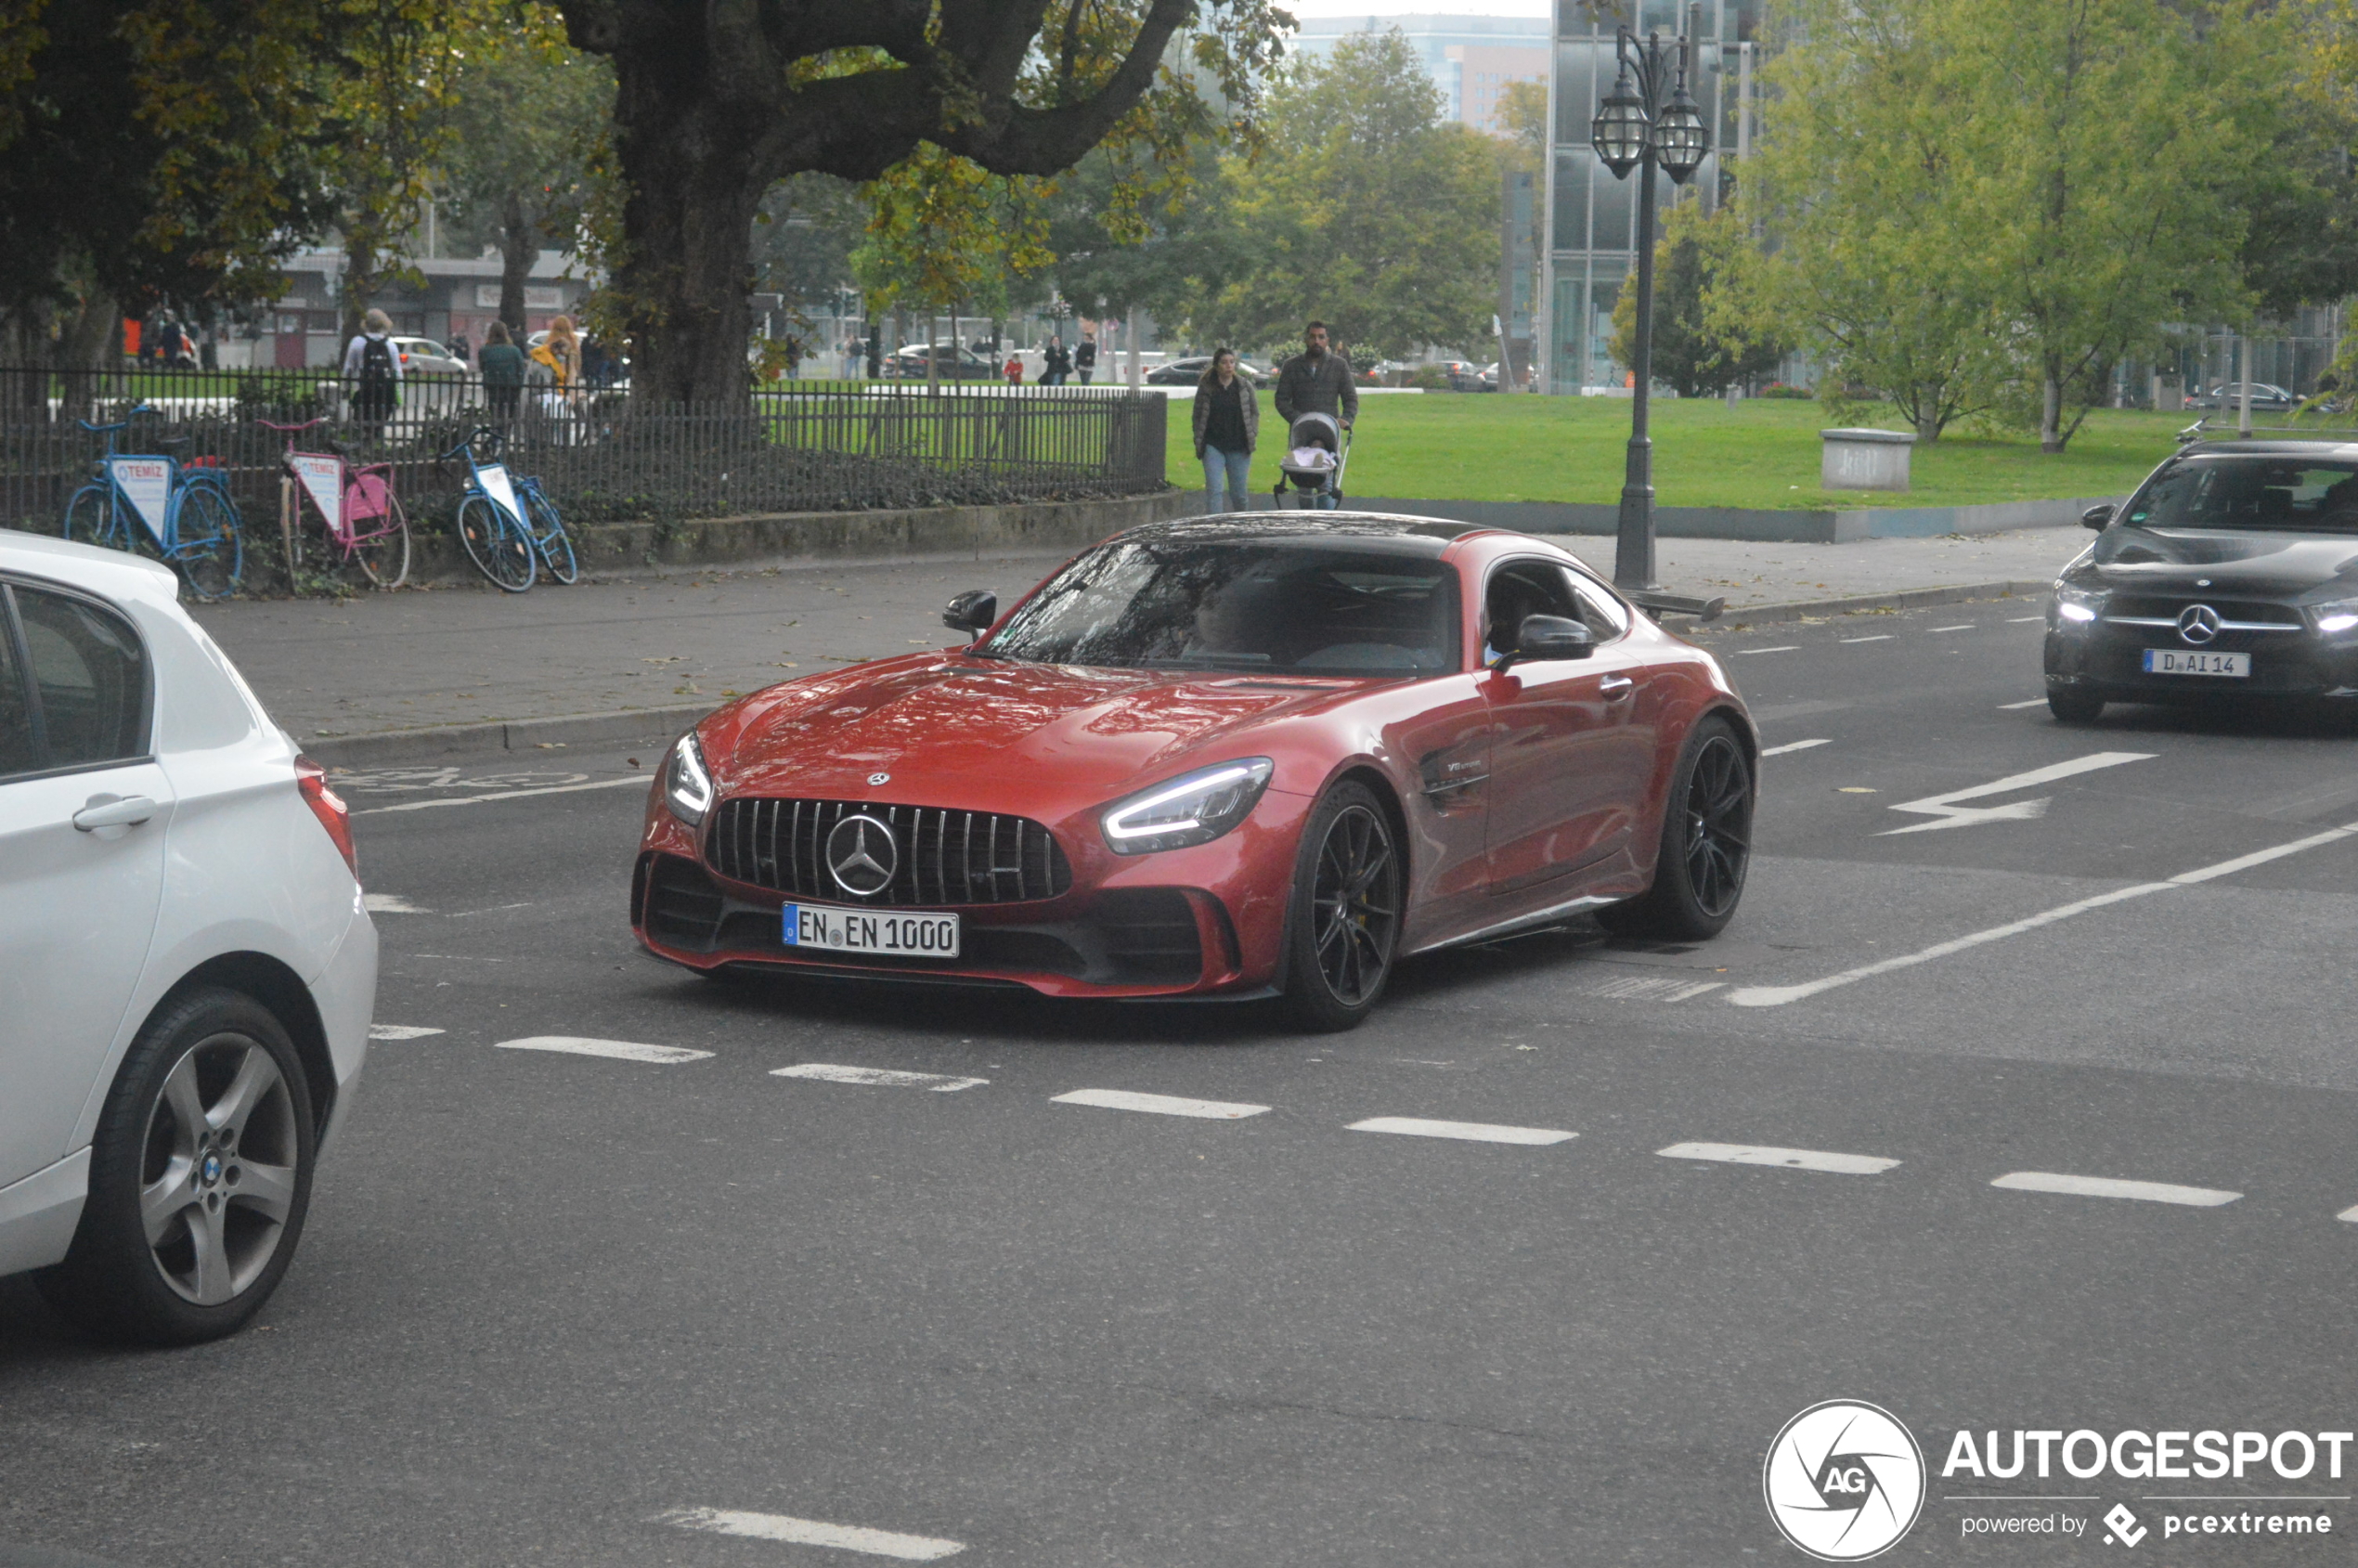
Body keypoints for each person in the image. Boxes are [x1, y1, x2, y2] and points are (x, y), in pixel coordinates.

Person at [1192, 347, 1259, 514]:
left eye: (1232, 362)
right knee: (1214, 490)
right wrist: (1199, 437)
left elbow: (1254, 412)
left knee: (1239, 495)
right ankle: (1215, 529)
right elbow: (1197, 414)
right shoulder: (1207, 387)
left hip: (1239, 445)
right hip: (1213, 445)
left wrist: (1252, 431)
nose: (1228, 366)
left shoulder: (1244, 386)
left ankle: (1241, 527)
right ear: (1216, 365)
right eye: (1224, 362)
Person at [1274, 319, 1358, 431]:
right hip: (1300, 430)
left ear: (1327, 340)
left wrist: (1346, 418)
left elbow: (1350, 398)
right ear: (1306, 340)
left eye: (1321, 337)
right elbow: (1281, 400)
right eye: (1313, 337)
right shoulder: (1291, 365)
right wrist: (1298, 419)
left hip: (1329, 429)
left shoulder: (1339, 365)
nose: (1317, 341)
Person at [343, 307, 403, 431]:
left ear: (365, 323)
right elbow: (397, 371)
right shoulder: (390, 345)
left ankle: (364, 445)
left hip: (364, 390)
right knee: (379, 424)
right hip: (386, 392)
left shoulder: (357, 342)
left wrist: (346, 388)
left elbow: (349, 368)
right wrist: (399, 395)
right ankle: (377, 444)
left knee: (362, 424)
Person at [476, 319, 525, 420]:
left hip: (493, 385)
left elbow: (482, 367)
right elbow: (521, 369)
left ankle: (497, 432)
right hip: (512, 386)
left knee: (495, 412)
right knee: (511, 413)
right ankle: (506, 432)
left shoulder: (485, 350)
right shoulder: (514, 350)